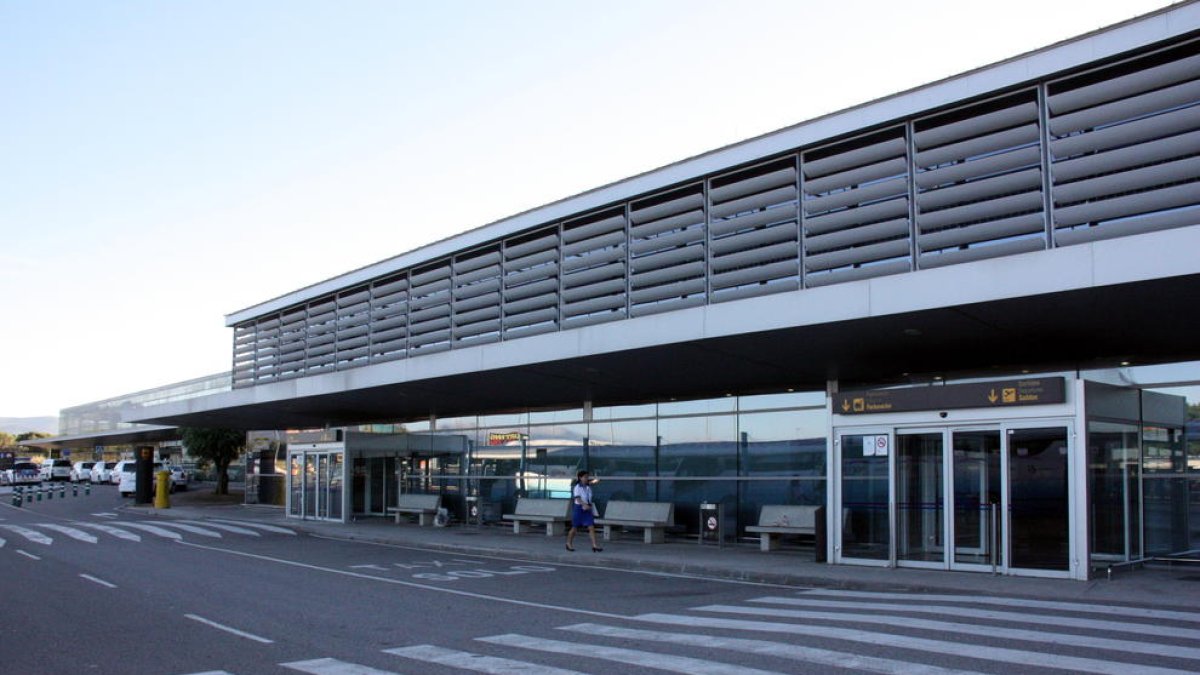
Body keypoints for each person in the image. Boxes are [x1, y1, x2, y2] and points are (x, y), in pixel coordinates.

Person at [566, 469, 602, 552]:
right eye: (585, 477)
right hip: (579, 509)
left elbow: (592, 482)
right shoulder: (577, 487)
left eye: (587, 477)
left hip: (587, 509)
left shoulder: (587, 487)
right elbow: (578, 499)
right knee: (574, 528)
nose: (586, 478)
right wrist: (584, 505)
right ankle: (568, 543)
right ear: (580, 478)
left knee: (591, 526)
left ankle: (594, 545)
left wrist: (597, 480)